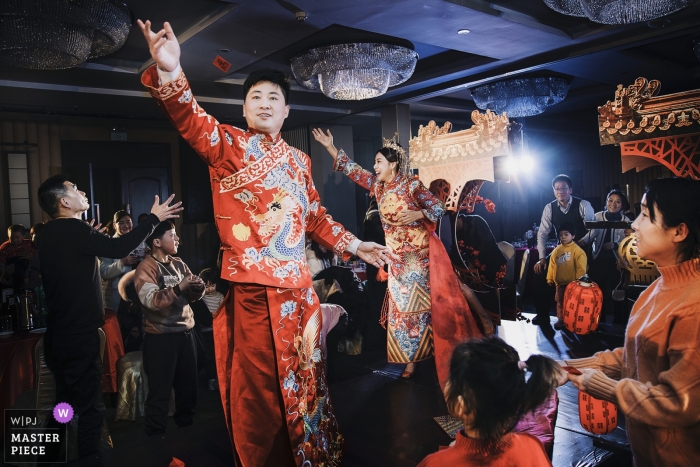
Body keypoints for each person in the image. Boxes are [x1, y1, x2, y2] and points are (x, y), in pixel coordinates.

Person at [138, 20, 392, 467]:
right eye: (255, 96)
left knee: (307, 377)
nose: (264, 103)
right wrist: (172, 72)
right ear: (244, 107)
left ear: (287, 111)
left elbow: (315, 216)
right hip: (253, 290)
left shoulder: (299, 161)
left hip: (298, 289)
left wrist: (355, 245)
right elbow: (190, 119)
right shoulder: (227, 145)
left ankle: (309, 452)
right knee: (258, 389)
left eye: (274, 97)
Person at [313, 128, 481, 381]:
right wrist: (330, 147)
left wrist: (418, 214)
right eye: (375, 162)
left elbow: (437, 208)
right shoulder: (378, 188)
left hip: (419, 256)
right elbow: (352, 169)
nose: (374, 166)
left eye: (378, 162)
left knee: (424, 307)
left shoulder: (412, 184)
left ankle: (435, 354)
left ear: (392, 165)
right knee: (402, 310)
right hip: (398, 258)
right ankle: (410, 359)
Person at [35, 174, 181, 464]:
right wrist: (152, 219)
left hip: (59, 336)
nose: (81, 191)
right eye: (74, 188)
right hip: (79, 337)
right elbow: (118, 249)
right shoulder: (72, 230)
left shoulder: (48, 233)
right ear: (64, 202)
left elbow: (78, 258)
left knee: (63, 404)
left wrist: (87, 236)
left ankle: (47, 460)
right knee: (90, 410)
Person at [562, 177, 700, 467]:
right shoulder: (657, 288)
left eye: (646, 215)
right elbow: (637, 355)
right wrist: (570, 367)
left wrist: (607, 388)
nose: (635, 224)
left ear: (679, 231)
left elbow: (679, 403)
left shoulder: (694, 305)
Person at [417, 336, 564, 467]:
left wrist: (452, 452)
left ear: (462, 406)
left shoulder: (436, 463)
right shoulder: (532, 447)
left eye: (451, 379)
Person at [134, 221, 205, 436]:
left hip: (186, 333)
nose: (177, 240)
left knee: (188, 390)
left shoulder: (179, 263)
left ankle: (186, 434)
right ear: (156, 242)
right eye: (172, 235)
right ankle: (156, 440)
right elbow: (151, 301)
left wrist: (197, 289)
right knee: (159, 392)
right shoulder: (146, 267)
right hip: (161, 338)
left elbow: (189, 296)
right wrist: (180, 287)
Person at [532, 174, 594, 327]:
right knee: (540, 272)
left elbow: (594, 229)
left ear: (570, 189)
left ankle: (586, 319)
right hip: (561, 250)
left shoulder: (583, 204)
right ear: (554, 191)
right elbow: (542, 233)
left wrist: (582, 241)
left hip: (581, 249)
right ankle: (542, 315)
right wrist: (542, 258)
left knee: (585, 280)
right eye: (557, 189)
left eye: (564, 188)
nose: (560, 191)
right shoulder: (549, 208)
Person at [579, 189, 633, 324]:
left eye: (617, 202)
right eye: (610, 200)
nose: (613, 204)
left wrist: (615, 245)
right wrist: (581, 241)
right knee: (598, 292)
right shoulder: (598, 216)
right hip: (598, 261)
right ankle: (599, 321)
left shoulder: (626, 220)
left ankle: (618, 321)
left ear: (622, 205)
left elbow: (628, 242)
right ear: (606, 202)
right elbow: (592, 233)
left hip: (617, 262)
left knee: (618, 293)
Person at [99, 210, 147, 310]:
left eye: (128, 222)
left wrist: (148, 256)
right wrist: (122, 262)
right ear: (114, 225)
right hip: (119, 292)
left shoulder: (140, 242)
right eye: (121, 223)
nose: (126, 225)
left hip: (139, 289)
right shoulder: (110, 245)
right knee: (122, 322)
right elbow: (104, 272)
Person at [546, 222, 587, 330]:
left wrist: (579, 282)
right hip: (559, 284)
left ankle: (572, 320)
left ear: (573, 236)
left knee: (573, 303)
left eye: (566, 234)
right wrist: (550, 278)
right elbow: (552, 265)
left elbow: (581, 268)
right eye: (561, 235)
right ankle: (561, 319)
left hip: (573, 285)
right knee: (560, 302)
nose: (563, 237)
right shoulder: (557, 250)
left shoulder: (577, 251)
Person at [189, 267, 224, 391]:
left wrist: (217, 314)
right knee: (207, 355)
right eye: (206, 286)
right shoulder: (199, 297)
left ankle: (215, 379)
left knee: (216, 355)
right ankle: (210, 379)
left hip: (216, 330)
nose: (209, 289)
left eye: (212, 285)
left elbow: (223, 310)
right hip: (203, 331)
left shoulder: (220, 296)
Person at [0, 224, 36, 291]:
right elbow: (2, 259)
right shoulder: (5, 247)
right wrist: (3, 270)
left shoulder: (28, 244)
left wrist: (33, 257)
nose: (15, 240)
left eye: (17, 238)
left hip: (26, 263)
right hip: (12, 265)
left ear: (23, 237)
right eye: (12, 238)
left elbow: (35, 254)